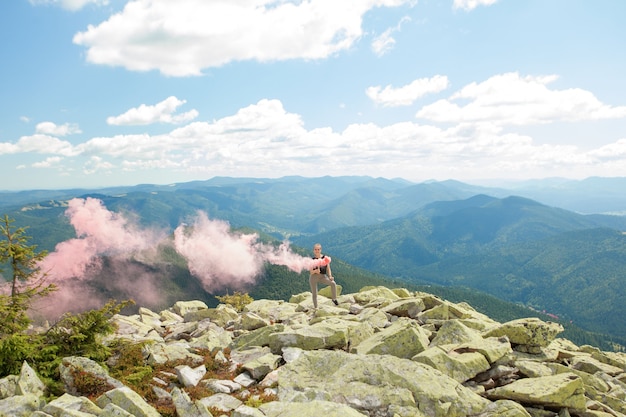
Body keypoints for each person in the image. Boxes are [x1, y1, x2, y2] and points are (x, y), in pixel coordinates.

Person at [309, 243, 338, 308]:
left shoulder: (325, 258)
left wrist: (330, 276)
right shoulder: (312, 260)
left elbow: (328, 268)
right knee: (314, 293)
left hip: (323, 277)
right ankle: (316, 308)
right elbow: (311, 272)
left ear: (320, 250)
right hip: (314, 277)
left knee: (333, 283)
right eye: (315, 249)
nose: (317, 251)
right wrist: (315, 271)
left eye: (318, 249)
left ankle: (334, 299)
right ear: (313, 250)